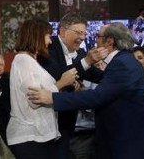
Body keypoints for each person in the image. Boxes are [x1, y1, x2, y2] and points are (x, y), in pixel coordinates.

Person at [28, 22, 144, 159]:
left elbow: (96, 97)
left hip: (131, 143)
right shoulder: (124, 61)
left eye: (97, 37)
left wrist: (52, 97)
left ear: (109, 42)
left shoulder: (122, 64)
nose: (94, 41)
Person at [37, 13, 106, 158]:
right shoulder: (48, 47)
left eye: (84, 33)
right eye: (79, 32)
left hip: (68, 120)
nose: (82, 37)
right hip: (48, 120)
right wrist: (86, 62)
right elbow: (60, 75)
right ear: (62, 31)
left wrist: (115, 74)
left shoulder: (79, 52)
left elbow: (93, 74)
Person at [7, 19, 77, 158]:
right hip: (29, 137)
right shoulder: (24, 61)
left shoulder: (30, 61)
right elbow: (35, 99)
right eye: (48, 36)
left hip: (37, 137)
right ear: (36, 36)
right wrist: (61, 83)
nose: (50, 41)